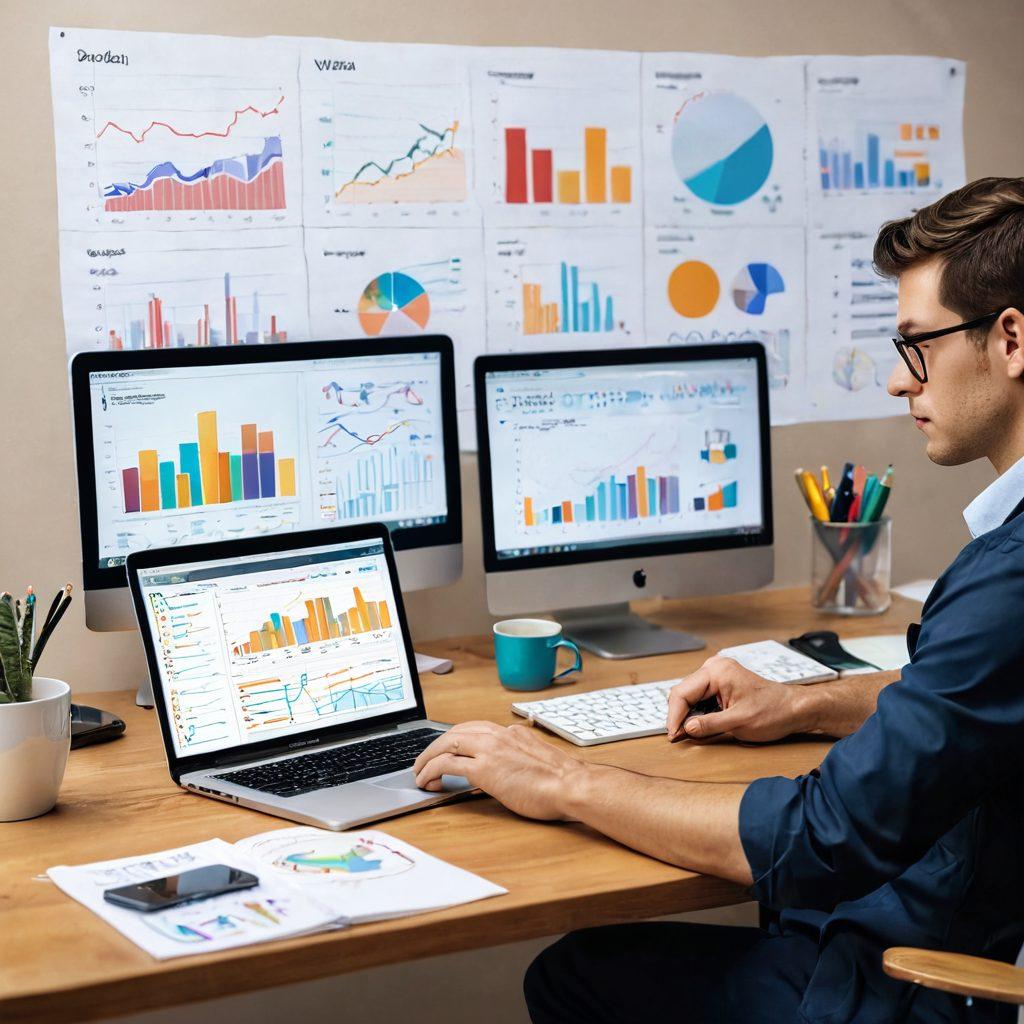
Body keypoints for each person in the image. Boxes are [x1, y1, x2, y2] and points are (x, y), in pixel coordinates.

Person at [413, 176, 1024, 1023]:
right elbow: (977, 702)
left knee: (577, 973)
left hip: (933, 979)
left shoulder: (1009, 580)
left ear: (1011, 340)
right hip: (953, 907)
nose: (898, 380)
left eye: (916, 344)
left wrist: (566, 781)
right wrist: (808, 704)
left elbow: (824, 838)